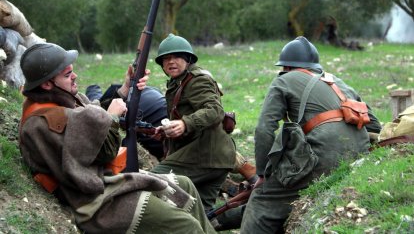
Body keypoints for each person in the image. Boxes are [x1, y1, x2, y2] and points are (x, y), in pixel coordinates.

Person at [18, 42, 216, 234]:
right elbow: (104, 152)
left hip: (107, 182)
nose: (75, 76)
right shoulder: (42, 123)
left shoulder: (59, 99)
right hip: (96, 202)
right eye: (68, 74)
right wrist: (111, 119)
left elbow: (89, 117)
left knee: (185, 185)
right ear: (46, 84)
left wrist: (124, 89)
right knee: (186, 226)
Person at [240, 36, 382, 233]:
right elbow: (374, 125)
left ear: (286, 67)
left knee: (263, 199)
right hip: (358, 157)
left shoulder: (284, 80)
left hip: (322, 157)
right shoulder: (339, 82)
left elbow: (264, 129)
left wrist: (263, 174)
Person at [151, 34, 237, 212]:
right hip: (217, 157)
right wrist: (170, 129)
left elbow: (215, 110)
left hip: (207, 155)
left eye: (176, 57)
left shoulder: (196, 79)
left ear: (187, 59)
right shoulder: (180, 81)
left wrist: (184, 124)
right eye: (166, 59)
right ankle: (244, 216)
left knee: (153, 180)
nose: (171, 62)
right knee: (202, 215)